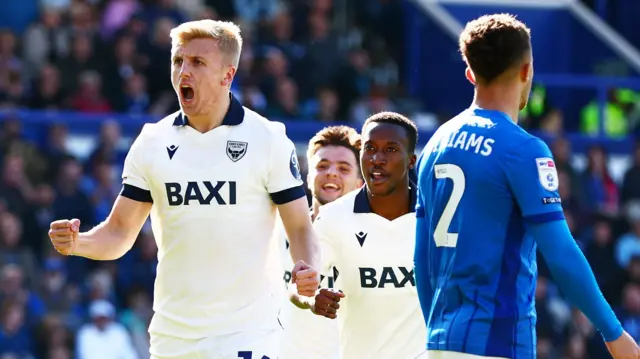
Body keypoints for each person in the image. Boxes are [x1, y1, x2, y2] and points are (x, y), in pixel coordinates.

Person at [47, 19, 320, 359]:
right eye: (178, 61)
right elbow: (119, 232)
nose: (183, 72)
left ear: (227, 75)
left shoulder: (267, 140)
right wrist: (78, 243)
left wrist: (307, 268)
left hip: (246, 332)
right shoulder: (152, 142)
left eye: (197, 63)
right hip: (173, 335)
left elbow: (299, 227)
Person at [414, 14, 639, 359]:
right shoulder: (523, 150)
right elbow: (562, 254)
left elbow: (421, 258)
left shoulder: (435, 144)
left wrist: (435, 333)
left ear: (470, 74)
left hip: (440, 342)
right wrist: (613, 332)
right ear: (526, 71)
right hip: (499, 341)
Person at [302, 112, 427, 359]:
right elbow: (299, 286)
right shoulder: (332, 218)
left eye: (391, 150)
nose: (377, 159)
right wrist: (312, 299)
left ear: (411, 160)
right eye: (369, 148)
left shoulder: (434, 217)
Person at [278, 125, 363, 359]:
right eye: (322, 166)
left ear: (359, 183)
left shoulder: (372, 239)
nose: (332, 173)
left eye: (344, 168)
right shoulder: (277, 228)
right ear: (307, 176)